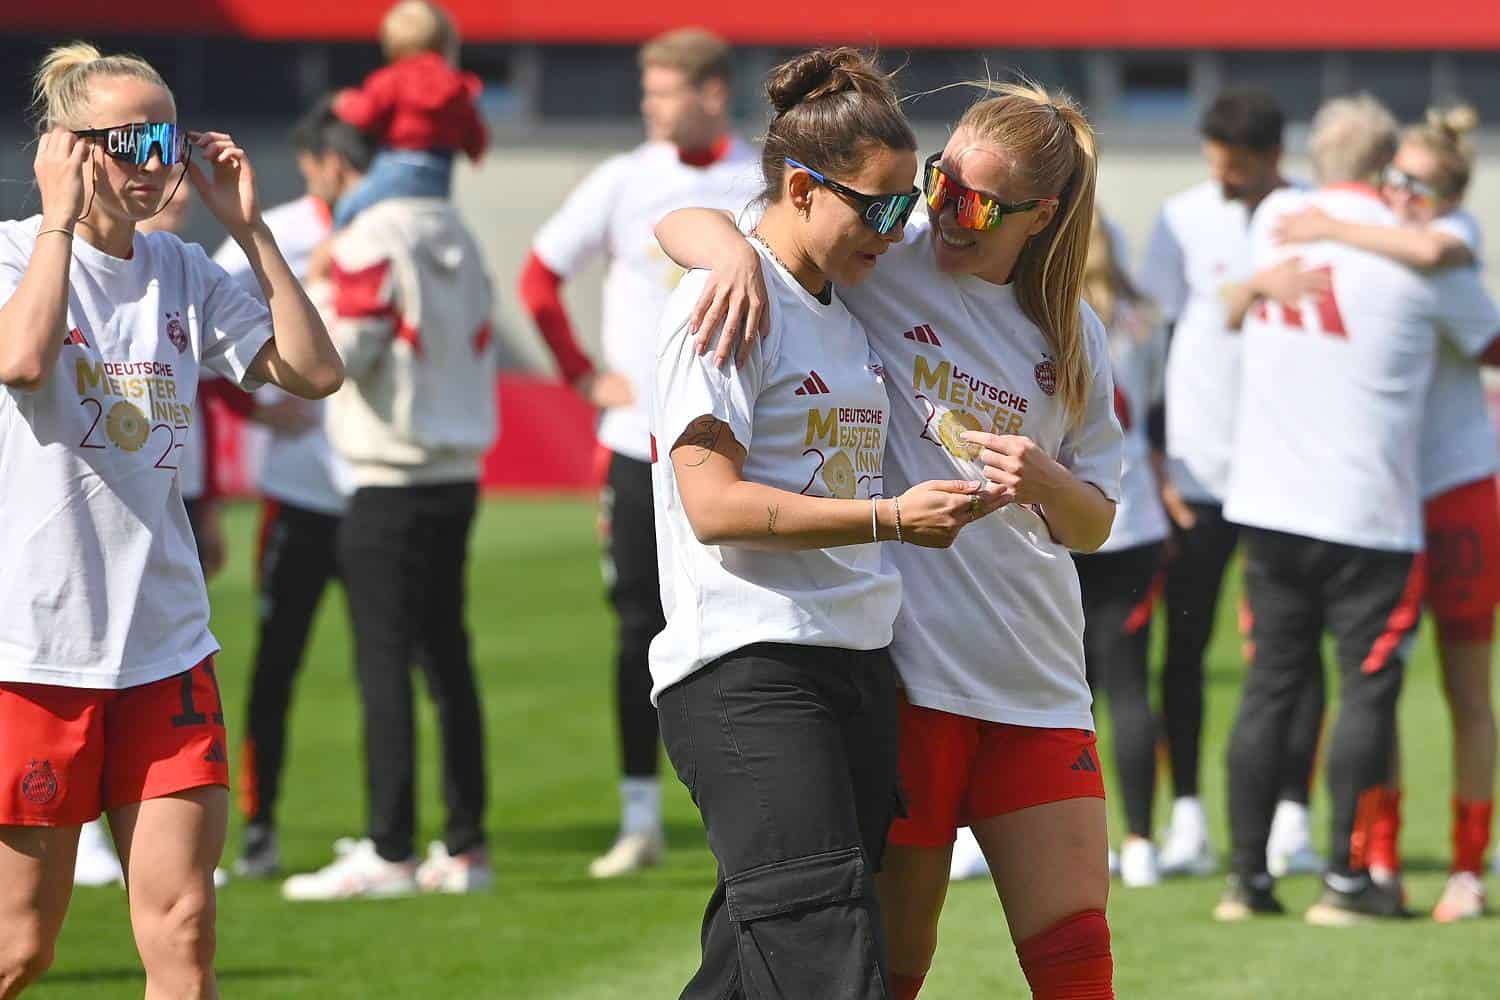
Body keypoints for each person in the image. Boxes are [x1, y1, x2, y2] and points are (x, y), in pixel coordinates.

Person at [659, 79, 1124, 1000]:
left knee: (1078, 963)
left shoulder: (1073, 334)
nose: (943, 214)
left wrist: (1046, 480)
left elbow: (1095, 523)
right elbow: (695, 222)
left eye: (975, 206)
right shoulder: (881, 253)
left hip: (1036, 678)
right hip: (908, 675)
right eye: (940, 185)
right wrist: (731, 255)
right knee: (878, 970)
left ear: (1041, 216)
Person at [0, 41, 342, 997]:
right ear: (70, 148)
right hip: (37, 651)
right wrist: (58, 221)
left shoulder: (182, 267)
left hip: (166, 647)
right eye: (131, 141)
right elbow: (23, 360)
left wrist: (252, 229)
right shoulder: (14, 252)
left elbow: (314, 372)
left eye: (168, 139)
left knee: (185, 931)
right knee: (21, 948)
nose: (155, 162)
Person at [1218, 94, 1500, 926]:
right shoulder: (1405, 253)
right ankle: (1364, 865)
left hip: (1400, 488)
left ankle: (1457, 867)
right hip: (1377, 502)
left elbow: (1445, 258)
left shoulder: (1289, 221)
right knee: (1368, 690)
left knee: (1447, 687)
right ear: (1381, 172)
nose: (1407, 197)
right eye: (1398, 180)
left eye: (1423, 188)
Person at [517, 27, 763, 878]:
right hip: (637, 445)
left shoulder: (762, 179)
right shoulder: (622, 180)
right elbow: (538, 278)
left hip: (737, 445)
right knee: (637, 629)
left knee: (744, 625)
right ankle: (639, 818)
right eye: (648, 93)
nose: (651, 109)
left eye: (664, 93)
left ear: (713, 93)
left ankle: (745, 808)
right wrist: (583, 375)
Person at [280, 93, 499, 901]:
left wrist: (314, 290)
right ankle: (466, 846)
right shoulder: (455, 226)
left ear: (338, 163)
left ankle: (391, 847)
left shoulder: (367, 233)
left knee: (383, 663)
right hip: (456, 472)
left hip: (387, 476)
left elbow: (345, 352)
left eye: (315, 170)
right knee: (448, 660)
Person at [1136, 88, 1327, 878]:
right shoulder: (1181, 217)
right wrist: (1155, 456)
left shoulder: (1315, 216)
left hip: (1289, 469)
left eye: (1238, 168)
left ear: (1275, 157)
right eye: (1215, 165)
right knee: (1184, 645)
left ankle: (1292, 816)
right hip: (1199, 466)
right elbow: (1150, 338)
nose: (1223, 179)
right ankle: (1186, 815)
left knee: (1292, 651)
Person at [212, 98, 363, 879]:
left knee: (387, 671)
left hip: (374, 489)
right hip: (297, 494)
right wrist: (257, 409)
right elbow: (195, 331)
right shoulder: (277, 232)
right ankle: (260, 827)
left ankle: (389, 835)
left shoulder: (389, 227)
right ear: (310, 161)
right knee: (276, 669)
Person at [1075, 210, 1171, 888]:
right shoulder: (1143, 319)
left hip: (1068, 514)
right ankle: (1140, 841)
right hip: (1133, 518)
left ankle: (1090, 839)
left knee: (1067, 691)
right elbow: (1157, 404)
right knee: (1131, 685)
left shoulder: (1048, 315)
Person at [330, 0, 486, 227]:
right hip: (439, 178)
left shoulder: (391, 79)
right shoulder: (457, 87)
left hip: (396, 168)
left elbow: (365, 115)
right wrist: (475, 153)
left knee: (348, 208)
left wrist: (344, 103)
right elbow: (473, 132)